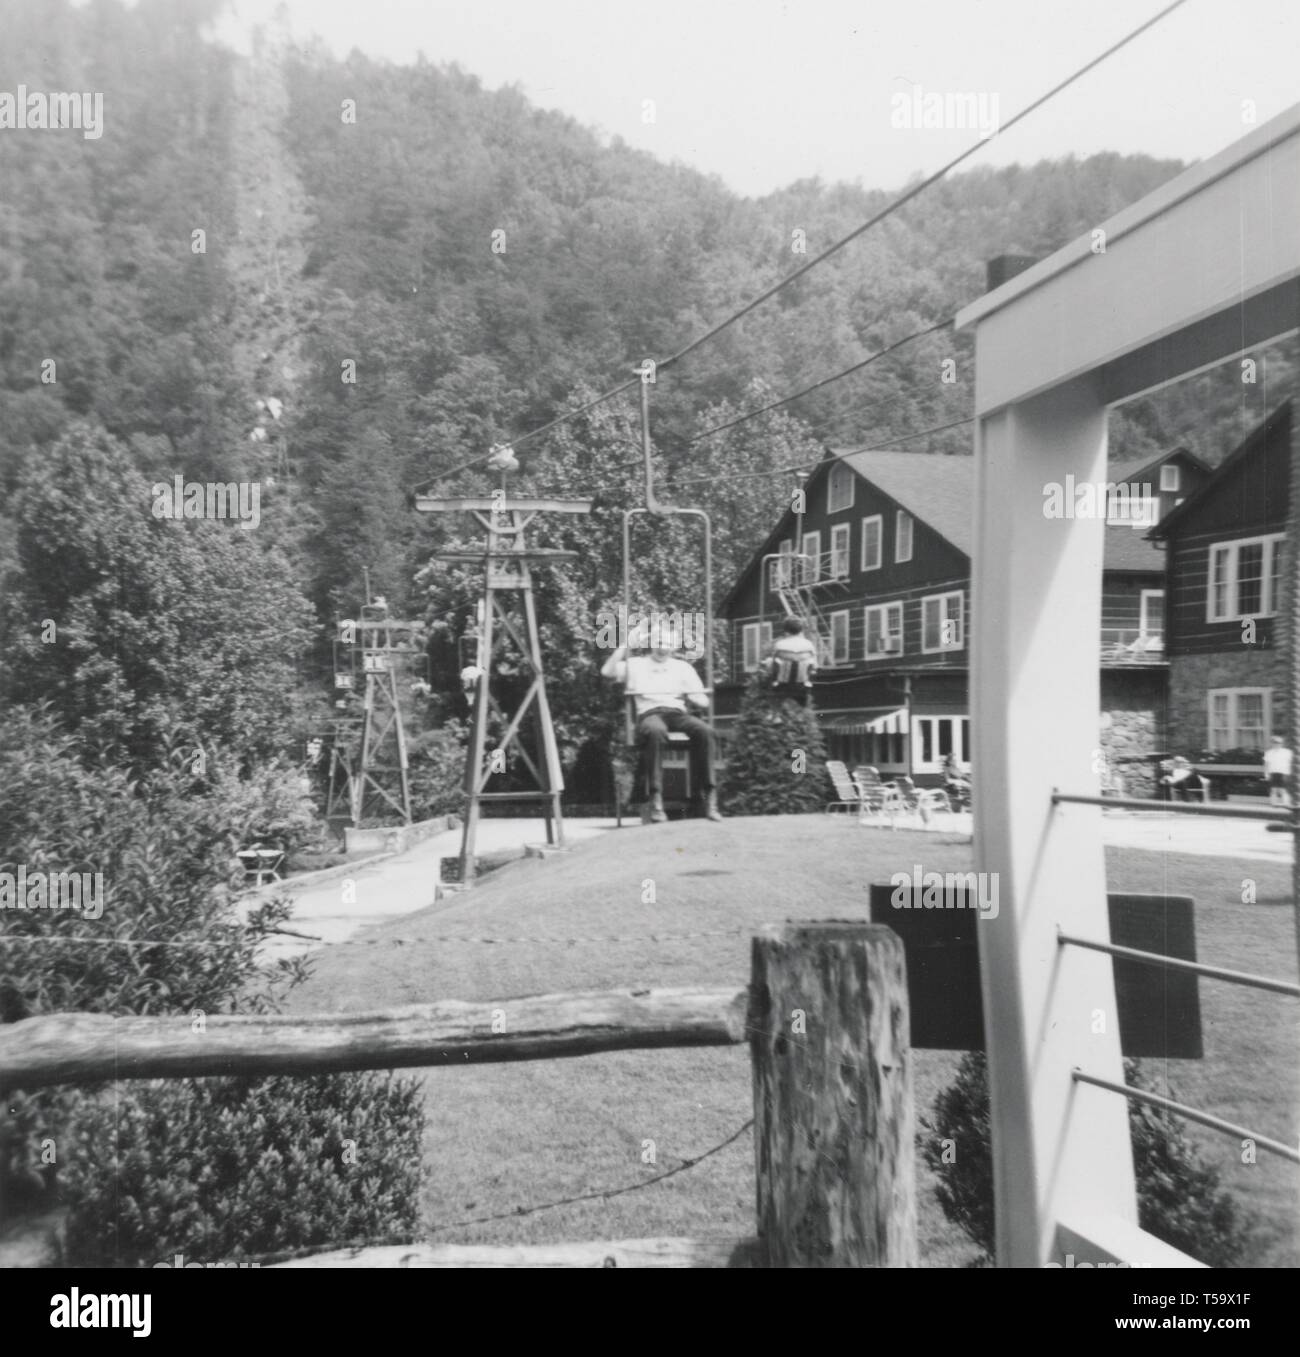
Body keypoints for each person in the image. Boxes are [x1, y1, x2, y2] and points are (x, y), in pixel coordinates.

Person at [602, 629, 722, 823]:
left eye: (667, 644)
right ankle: (656, 800)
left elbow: (701, 699)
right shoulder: (636, 664)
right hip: (650, 712)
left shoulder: (682, 667)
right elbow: (606, 671)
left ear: (674, 646)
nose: (662, 648)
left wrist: (697, 697)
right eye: (658, 643)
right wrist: (625, 645)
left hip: (676, 712)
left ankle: (710, 799)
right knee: (656, 732)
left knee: (705, 731)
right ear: (651, 644)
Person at [763, 617, 819, 705]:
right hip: (802, 686)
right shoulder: (809, 645)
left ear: (785, 630)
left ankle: (772, 707)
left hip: (781, 686)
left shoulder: (779, 645)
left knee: (769, 662)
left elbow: (773, 668)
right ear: (801, 630)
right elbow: (814, 668)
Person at [1263, 734, 1292, 808]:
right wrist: (1266, 774)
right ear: (1272, 743)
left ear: (1282, 743)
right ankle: (1274, 804)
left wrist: (1290, 773)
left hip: (1284, 772)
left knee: (1283, 789)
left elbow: (1291, 763)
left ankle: (1286, 803)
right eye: (1275, 742)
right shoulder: (1268, 753)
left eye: (1279, 743)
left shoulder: (1287, 752)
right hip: (1273, 772)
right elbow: (1266, 764)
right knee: (1273, 789)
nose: (1277, 744)